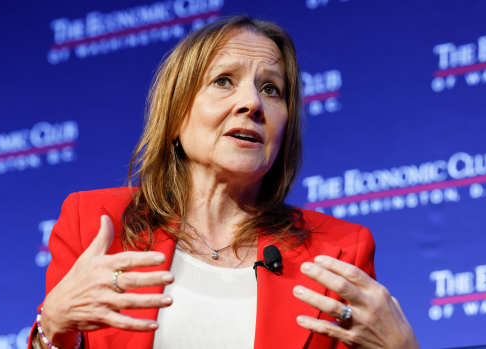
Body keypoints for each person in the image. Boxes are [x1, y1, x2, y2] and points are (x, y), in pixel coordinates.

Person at [29, 16, 420, 349]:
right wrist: (52, 328)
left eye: (271, 89)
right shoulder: (98, 223)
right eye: (224, 81)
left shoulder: (338, 253)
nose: (252, 103)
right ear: (175, 115)